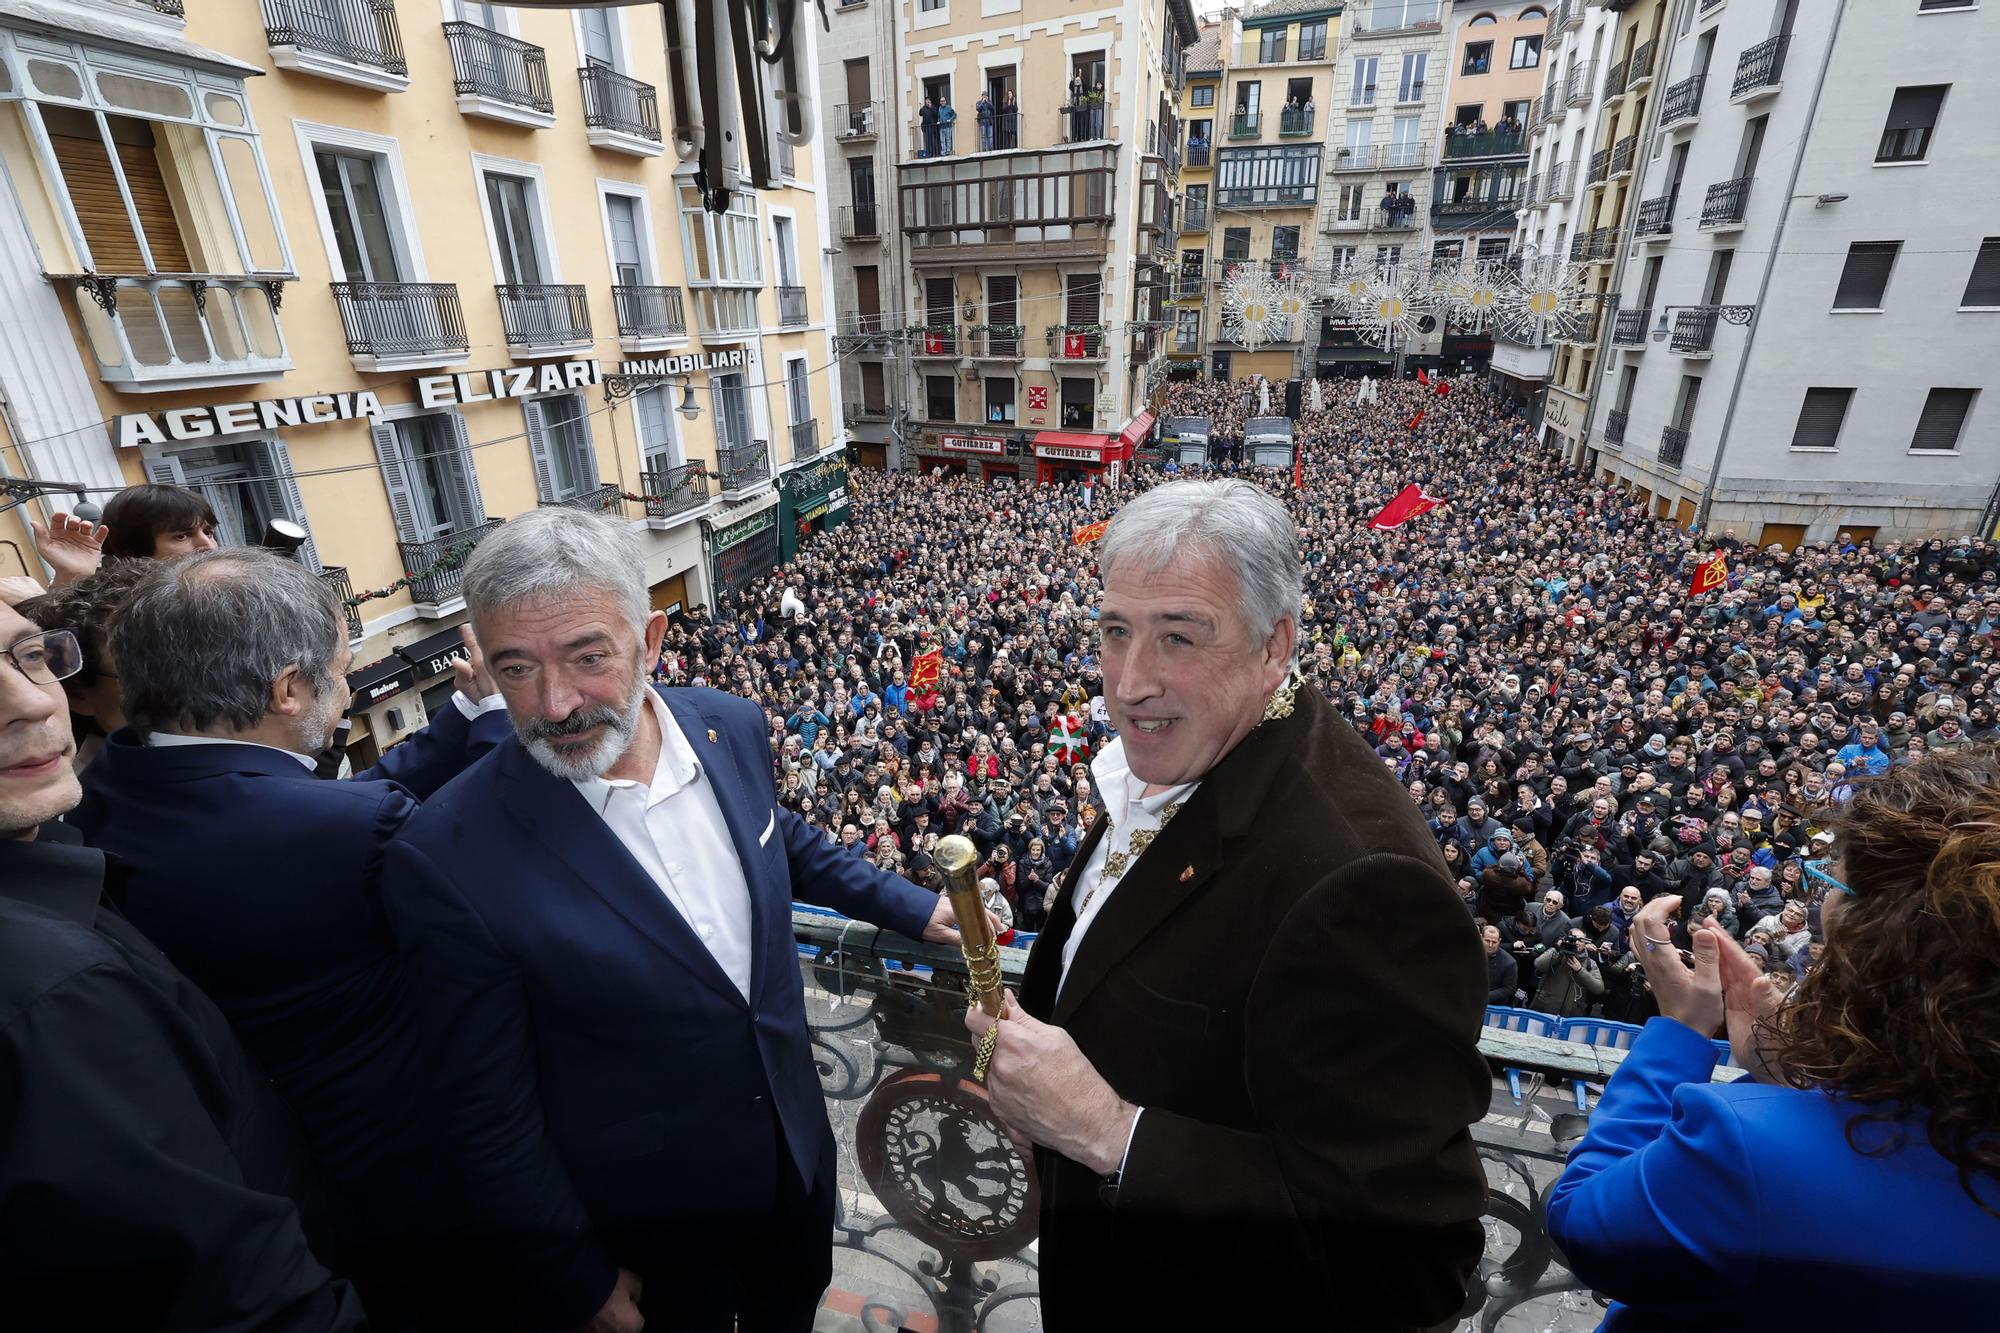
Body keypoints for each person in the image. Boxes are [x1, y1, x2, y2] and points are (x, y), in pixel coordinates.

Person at [382, 508, 986, 1333]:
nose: (555, 704)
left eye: (587, 657)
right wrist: (568, 1268)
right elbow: (484, 1106)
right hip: (645, 1230)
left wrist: (906, 904)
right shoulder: (448, 852)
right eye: (516, 668)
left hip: (793, 1160)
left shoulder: (728, 722)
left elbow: (781, 835)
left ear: (653, 639)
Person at [966, 480, 1488, 1329]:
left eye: (1179, 636)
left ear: (1274, 645)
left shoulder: (1363, 884)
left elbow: (1404, 1267)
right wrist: (1042, 1095)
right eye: (1115, 632)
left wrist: (1108, 1131)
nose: (1131, 683)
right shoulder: (1186, 752)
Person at [69, 549, 510, 1325]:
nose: (348, 688)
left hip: (269, 1182)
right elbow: (490, 905)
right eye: (341, 671)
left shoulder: (103, 791)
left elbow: (284, 805)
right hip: (408, 1191)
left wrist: (466, 718)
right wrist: (501, 729)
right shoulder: (347, 834)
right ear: (289, 688)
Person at [0, 596, 366, 1331]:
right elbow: (237, 1293)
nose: (31, 702)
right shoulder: (54, 988)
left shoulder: (65, 850)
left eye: (30, 655)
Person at [1548, 751, 2000, 1327]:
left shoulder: (1744, 1150)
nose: (1821, 903)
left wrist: (1680, 1033)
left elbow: (1583, 1225)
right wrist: (1801, 1076)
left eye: (1833, 881)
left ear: (1876, 938)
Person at [919, 93, 939, 158]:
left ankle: (934, 153)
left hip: (932, 126)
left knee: (933, 140)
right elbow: (920, 114)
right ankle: (929, 153)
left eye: (928, 100)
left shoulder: (933, 107)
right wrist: (921, 108)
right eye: (926, 100)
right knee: (927, 141)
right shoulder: (923, 108)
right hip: (926, 127)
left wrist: (931, 108)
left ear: (930, 101)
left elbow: (936, 114)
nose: (927, 101)